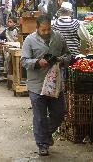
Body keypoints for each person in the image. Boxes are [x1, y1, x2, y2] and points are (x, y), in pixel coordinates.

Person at [21, 15, 71, 156]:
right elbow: (24, 61)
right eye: (43, 30)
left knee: (59, 113)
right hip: (36, 85)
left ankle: (46, 134)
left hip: (55, 84)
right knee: (40, 117)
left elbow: (68, 55)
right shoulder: (29, 40)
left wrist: (62, 60)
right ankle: (42, 144)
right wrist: (37, 62)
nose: (46, 32)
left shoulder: (59, 38)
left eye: (48, 29)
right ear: (37, 28)